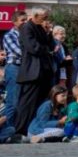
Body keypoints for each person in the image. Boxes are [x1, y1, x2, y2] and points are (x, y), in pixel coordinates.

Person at [14, 7, 56, 136]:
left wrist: (48, 33)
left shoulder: (40, 28)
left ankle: (33, 129)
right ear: (35, 16)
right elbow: (33, 48)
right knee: (27, 103)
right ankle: (20, 130)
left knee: (40, 103)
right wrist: (48, 51)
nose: (45, 20)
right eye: (43, 17)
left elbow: (52, 46)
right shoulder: (27, 28)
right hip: (32, 72)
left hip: (44, 71)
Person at [3, 10, 28, 128]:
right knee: (13, 101)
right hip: (14, 68)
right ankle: (8, 129)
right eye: (22, 20)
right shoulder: (9, 36)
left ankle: (18, 128)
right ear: (14, 22)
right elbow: (19, 52)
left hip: (24, 69)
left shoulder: (26, 35)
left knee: (22, 101)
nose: (25, 22)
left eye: (26, 20)